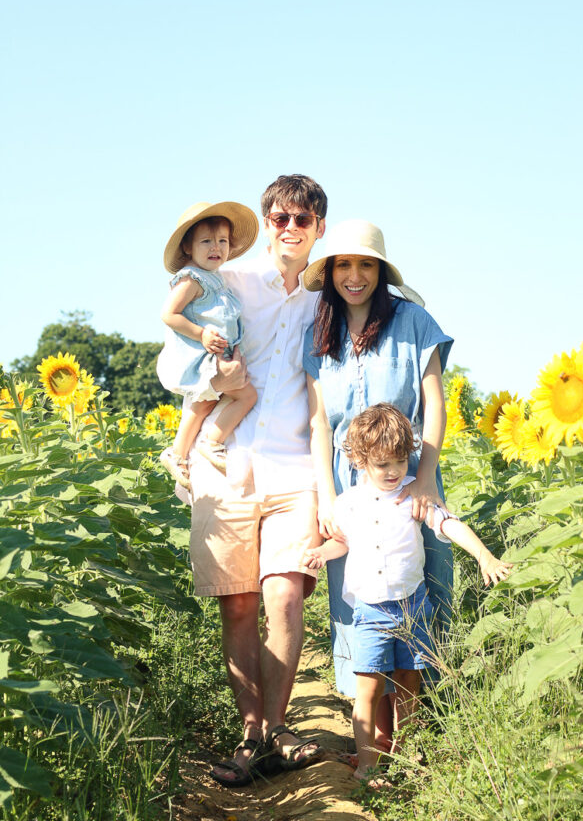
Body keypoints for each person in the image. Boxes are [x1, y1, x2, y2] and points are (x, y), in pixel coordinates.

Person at [184, 175, 329, 787]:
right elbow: (176, 360)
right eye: (279, 218)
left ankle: (271, 729)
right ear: (266, 224)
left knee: (285, 596)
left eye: (302, 220)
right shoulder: (232, 284)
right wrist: (217, 382)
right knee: (239, 605)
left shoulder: (328, 299)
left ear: (319, 228)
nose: (289, 229)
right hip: (227, 464)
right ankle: (251, 732)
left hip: (297, 468)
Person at [302, 404, 513, 783]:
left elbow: (450, 525)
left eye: (400, 462)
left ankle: (406, 754)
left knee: (409, 685)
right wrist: (320, 552)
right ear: (361, 460)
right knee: (367, 690)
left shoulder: (414, 495)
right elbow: (342, 542)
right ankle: (367, 766)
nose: (394, 472)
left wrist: (484, 555)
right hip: (369, 612)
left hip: (414, 608)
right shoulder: (348, 503)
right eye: (383, 465)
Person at [302, 218, 453, 742]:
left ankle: (427, 732)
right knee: (360, 601)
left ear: (381, 271)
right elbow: (320, 423)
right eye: (343, 264)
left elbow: (434, 403)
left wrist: (425, 480)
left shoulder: (414, 321)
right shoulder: (319, 333)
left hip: (409, 477)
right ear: (329, 273)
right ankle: (375, 737)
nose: (354, 275)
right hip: (349, 491)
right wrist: (327, 495)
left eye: (366, 264)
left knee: (423, 588)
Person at [156, 201, 259, 490]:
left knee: (202, 406)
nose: (216, 247)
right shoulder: (191, 279)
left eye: (222, 241)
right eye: (206, 241)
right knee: (246, 396)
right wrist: (201, 334)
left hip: (216, 356)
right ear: (188, 247)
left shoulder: (217, 280)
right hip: (203, 357)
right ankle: (211, 442)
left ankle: (177, 453)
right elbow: (168, 314)